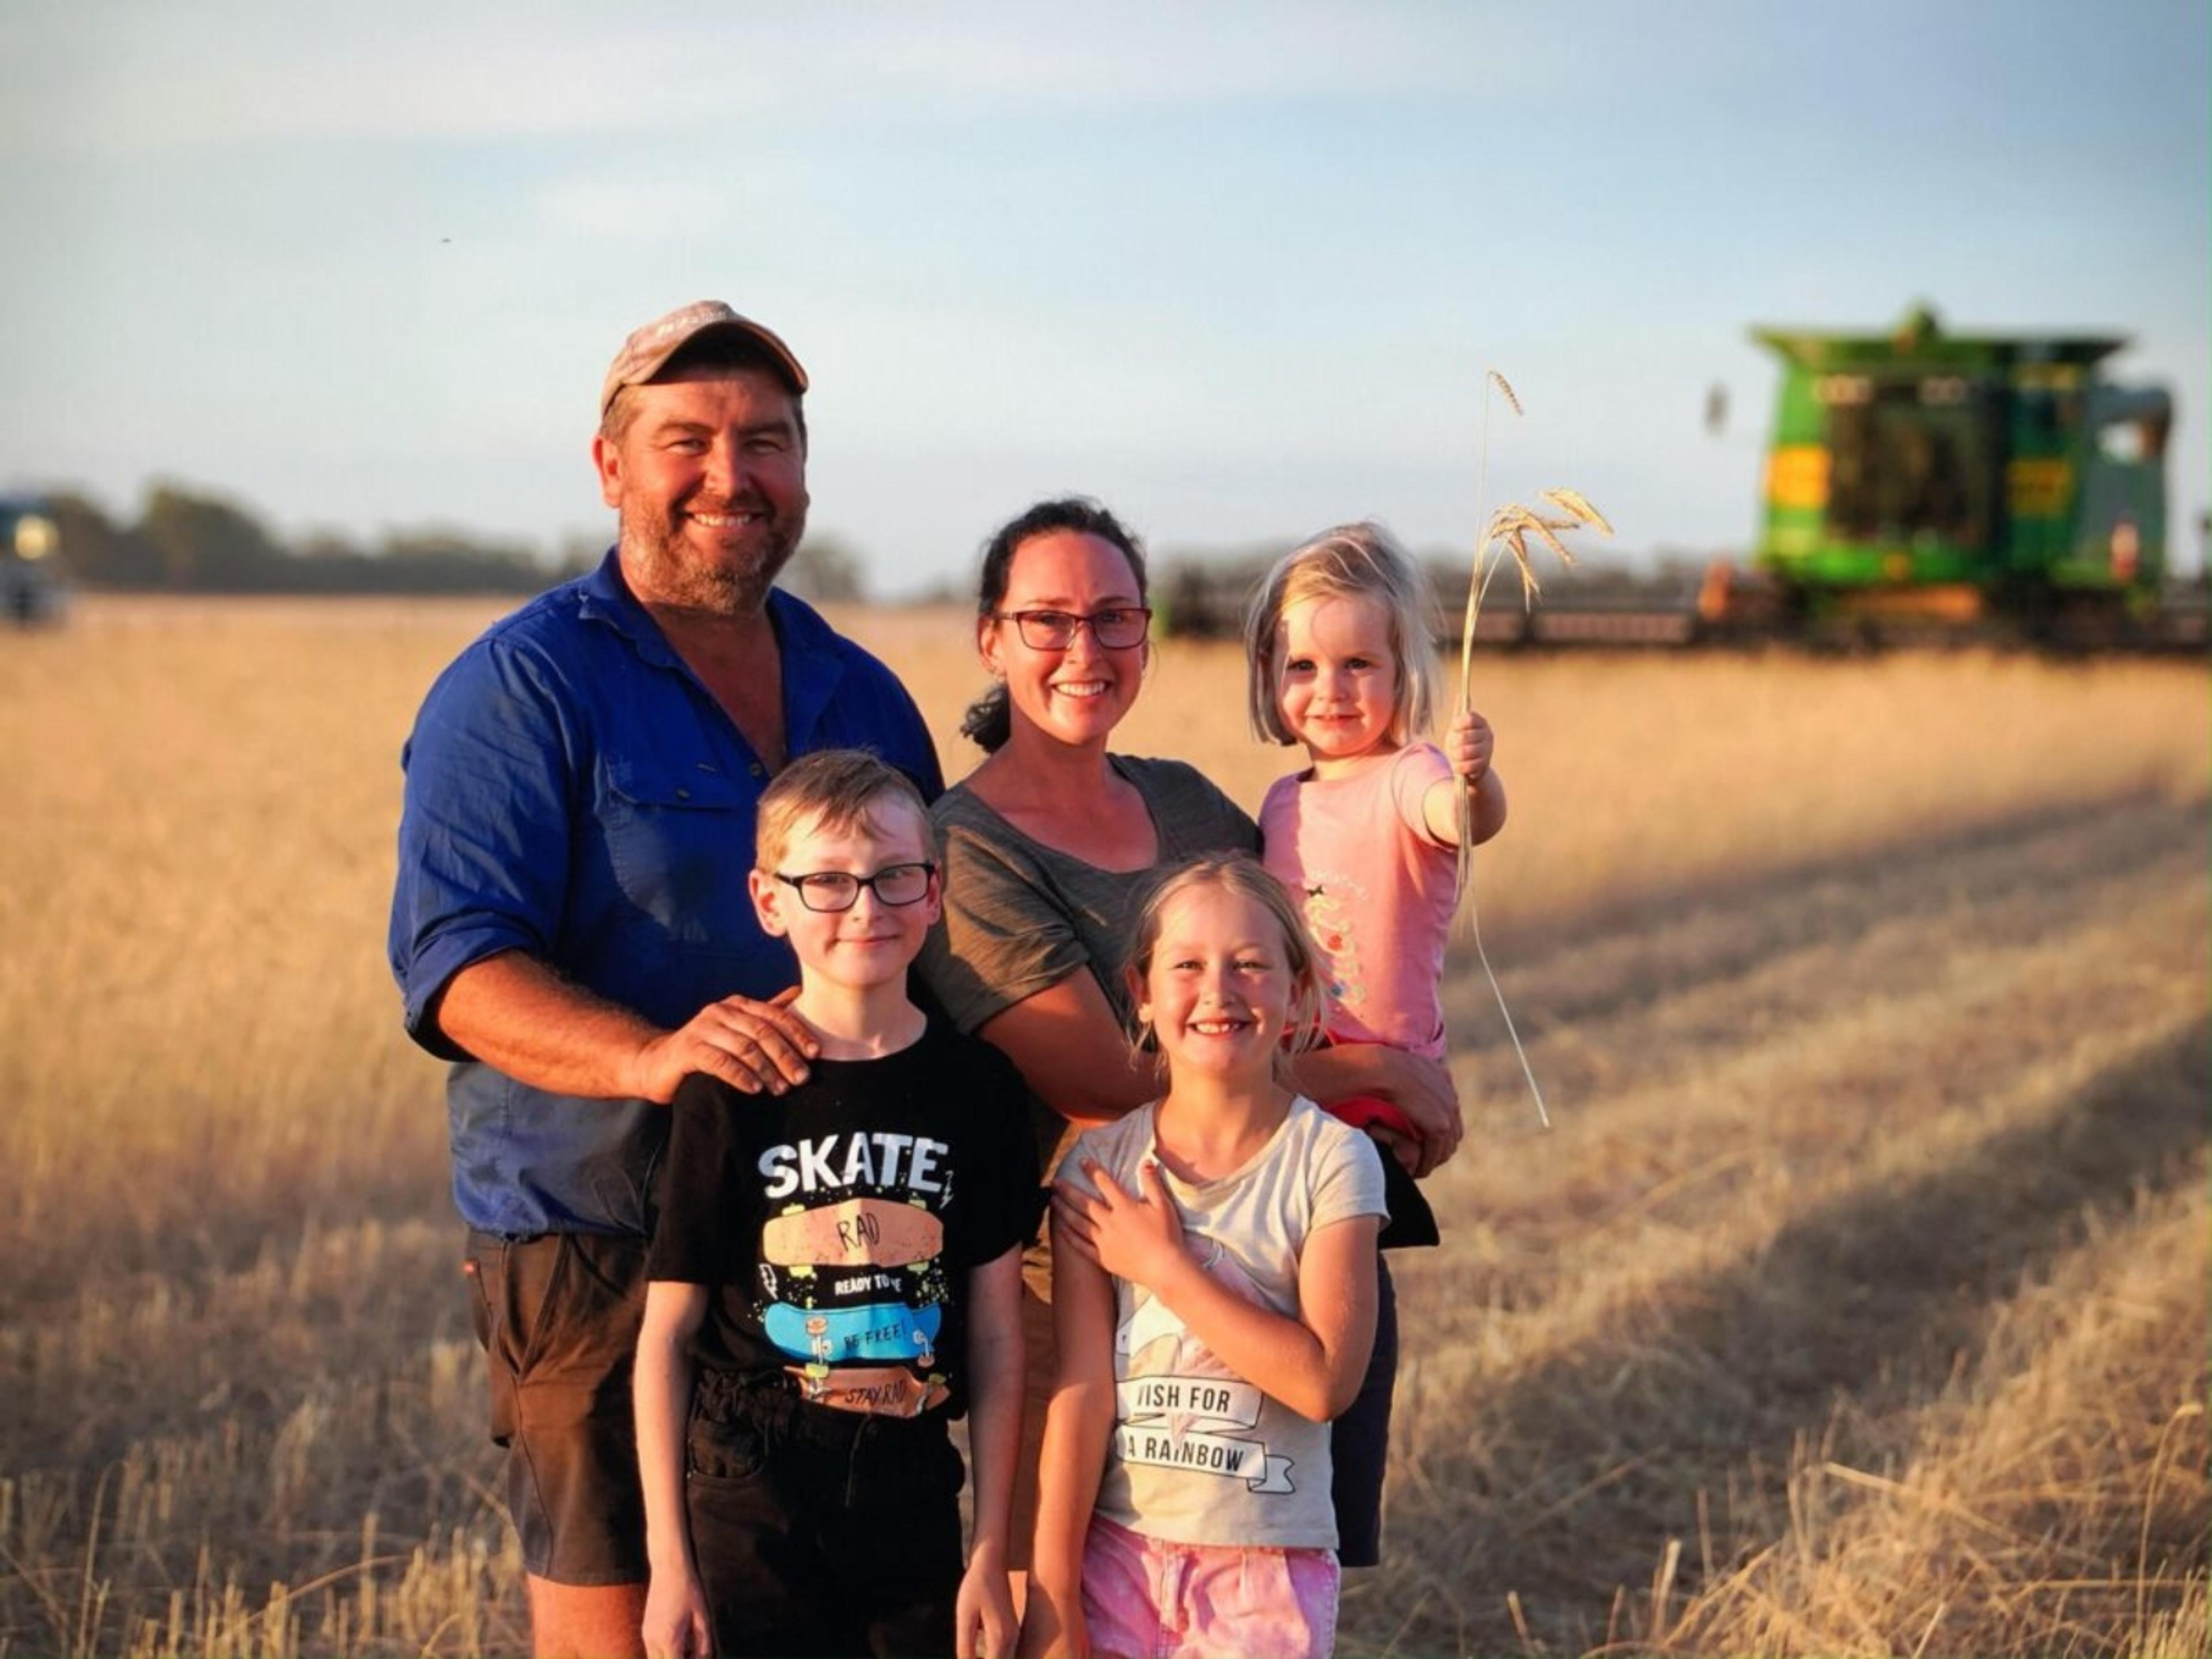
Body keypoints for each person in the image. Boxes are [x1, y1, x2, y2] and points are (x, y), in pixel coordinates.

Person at [388, 301, 941, 1658]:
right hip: (596, 1230)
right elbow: (455, 962)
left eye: (765, 442)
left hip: (827, 1227)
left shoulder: (860, 693)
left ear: (802, 474)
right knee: (629, 1630)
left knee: (828, 1608)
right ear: (610, 464)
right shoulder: (524, 684)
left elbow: (944, 936)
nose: (728, 474)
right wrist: (652, 1057)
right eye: (684, 439)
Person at [915, 498, 1461, 1580]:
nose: (1087, 649)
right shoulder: (961, 848)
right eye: (1048, 620)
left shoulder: (1196, 807)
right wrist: (1380, 1070)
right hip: (1082, 1295)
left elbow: (1314, 962)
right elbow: (1111, 1077)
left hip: (1277, 1260)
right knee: (1063, 1600)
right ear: (991, 637)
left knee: (1263, 1599)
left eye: (1116, 618)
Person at [635, 751, 1036, 1659]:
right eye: (827, 882)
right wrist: (670, 1564)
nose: (866, 908)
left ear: (935, 892)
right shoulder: (729, 1088)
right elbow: (668, 1332)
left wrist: (991, 1552)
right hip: (752, 1484)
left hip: (911, 1479)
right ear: (768, 899)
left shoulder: (978, 1087)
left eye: (896, 877)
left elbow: (999, 1333)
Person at [1022, 855, 1387, 1659]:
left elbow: (1324, 1382)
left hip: (1266, 1566)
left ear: (1297, 995)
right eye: (1186, 965)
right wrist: (1052, 1590)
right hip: (1118, 1551)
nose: (1218, 992)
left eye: (1251, 966)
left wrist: (1165, 1268)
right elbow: (1081, 1394)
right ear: (1142, 993)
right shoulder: (1097, 1170)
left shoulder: (1333, 1160)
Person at [1242, 521, 1505, 1244]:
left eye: (1358, 663)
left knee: (1334, 1246)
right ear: (1270, 672)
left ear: (1402, 672)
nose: (1330, 691)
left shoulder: (1410, 774)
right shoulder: (1281, 800)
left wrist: (1475, 781)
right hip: (1296, 1069)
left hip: (1375, 1087)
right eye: (1303, 667)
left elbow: (1461, 819)